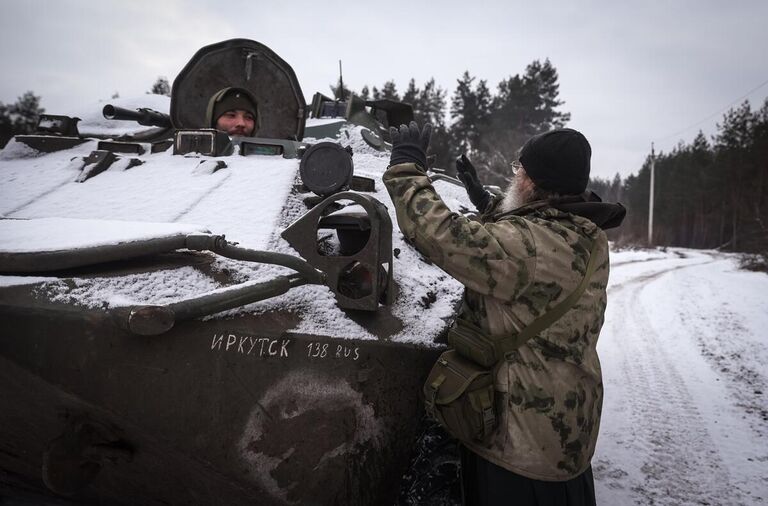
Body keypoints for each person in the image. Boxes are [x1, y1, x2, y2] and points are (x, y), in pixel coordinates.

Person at [382, 122, 625, 506]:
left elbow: (440, 235)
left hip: (521, 450)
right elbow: (531, 235)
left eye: (519, 169)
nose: (515, 174)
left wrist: (406, 168)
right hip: (568, 431)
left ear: (531, 182)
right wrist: (486, 201)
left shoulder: (525, 249)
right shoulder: (586, 235)